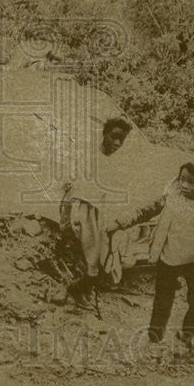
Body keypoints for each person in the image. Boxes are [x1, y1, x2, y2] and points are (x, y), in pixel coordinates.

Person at [113, 162, 194, 354]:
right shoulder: (171, 196)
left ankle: (186, 336)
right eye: (182, 179)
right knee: (163, 302)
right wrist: (120, 222)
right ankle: (154, 339)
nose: (184, 185)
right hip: (168, 258)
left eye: (191, 181)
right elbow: (146, 211)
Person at [60, 118, 133, 304]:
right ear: (104, 134)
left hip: (99, 213)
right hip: (82, 209)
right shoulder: (88, 156)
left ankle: (85, 287)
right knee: (93, 253)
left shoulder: (114, 163)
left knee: (108, 253)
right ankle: (77, 287)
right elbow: (71, 189)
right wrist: (70, 217)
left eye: (121, 140)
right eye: (114, 137)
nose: (117, 143)